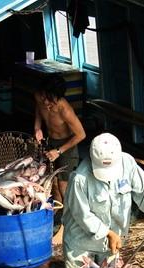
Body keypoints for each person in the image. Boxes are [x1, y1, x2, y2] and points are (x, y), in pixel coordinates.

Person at [61, 132, 144, 268]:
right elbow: (82, 215)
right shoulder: (79, 178)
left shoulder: (127, 163)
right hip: (81, 243)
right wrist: (108, 233)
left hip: (112, 242)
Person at [34, 75, 86, 246]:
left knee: (65, 189)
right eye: (44, 99)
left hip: (66, 147)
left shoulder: (65, 109)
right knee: (53, 185)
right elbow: (38, 110)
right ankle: (59, 217)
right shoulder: (39, 97)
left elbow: (81, 134)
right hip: (51, 143)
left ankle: (66, 229)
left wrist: (59, 151)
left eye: (51, 102)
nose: (47, 104)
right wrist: (38, 127)